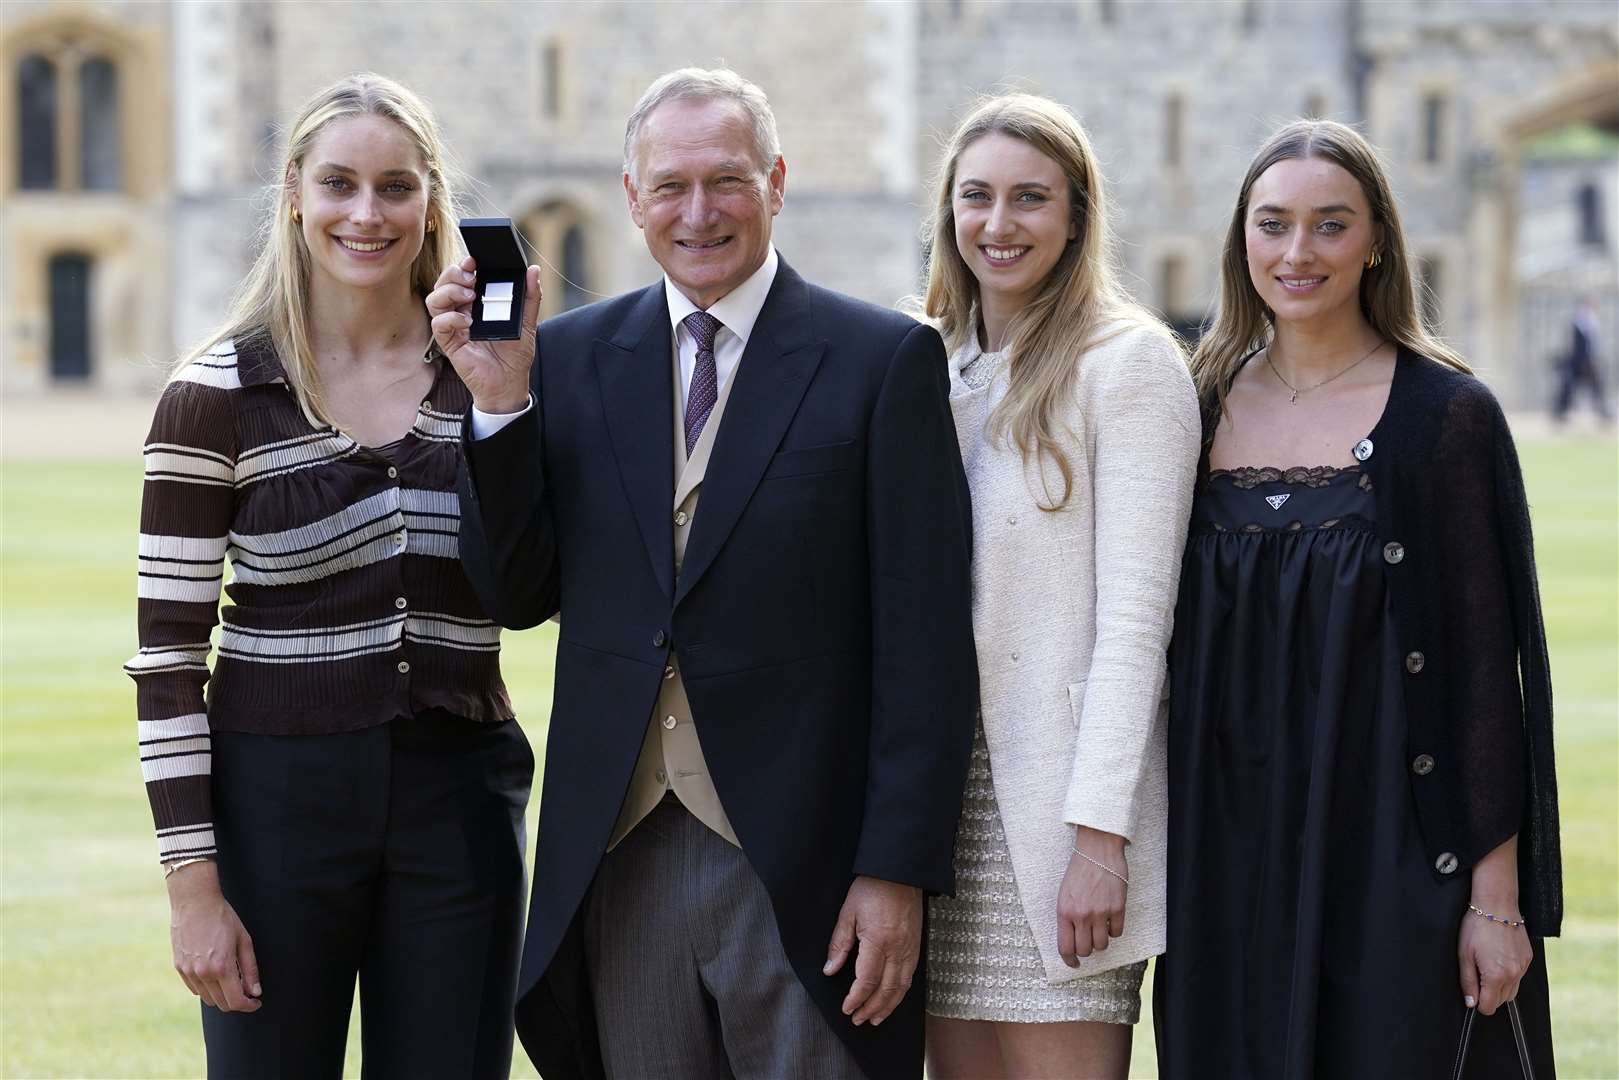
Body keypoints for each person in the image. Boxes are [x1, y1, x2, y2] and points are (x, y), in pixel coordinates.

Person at [428, 67, 977, 1080]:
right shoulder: (568, 358)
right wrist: (499, 408)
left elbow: (926, 644)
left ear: (774, 181)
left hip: (804, 862)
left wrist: (893, 870)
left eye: (724, 180)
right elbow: (514, 598)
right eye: (668, 185)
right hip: (620, 853)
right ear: (629, 197)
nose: (697, 212)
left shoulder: (880, 360)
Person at [124, 73, 531, 1079]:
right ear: (294, 195)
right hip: (274, 808)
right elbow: (168, 659)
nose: (367, 213)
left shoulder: (487, 372)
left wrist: (506, 405)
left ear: (431, 200)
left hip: (460, 797)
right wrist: (192, 886)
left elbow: (531, 590)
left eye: (396, 187)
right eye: (339, 183)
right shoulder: (216, 393)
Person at [1157, 118, 1562, 1078]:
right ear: (1240, 240)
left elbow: (1482, 675)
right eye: (1273, 224)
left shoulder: (1445, 417)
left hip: (1392, 844)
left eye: (1329, 225)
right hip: (1223, 850)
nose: (1297, 252)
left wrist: (1494, 900)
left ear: (1376, 238)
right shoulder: (1188, 401)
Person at [914, 94, 1199, 1080]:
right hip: (933, 819)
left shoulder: (1127, 364)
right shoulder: (929, 365)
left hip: (1055, 816)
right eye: (976, 197)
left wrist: (1099, 838)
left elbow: (1134, 627)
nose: (998, 225)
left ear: (1075, 215)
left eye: (1029, 199)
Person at [1552, 295, 1612, 422]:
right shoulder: (1580, 322)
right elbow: (1579, 346)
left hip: (1587, 362)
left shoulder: (1589, 321)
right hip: (1579, 363)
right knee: (1569, 387)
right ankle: (1560, 413)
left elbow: (1591, 345)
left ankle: (1604, 412)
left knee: (1597, 387)